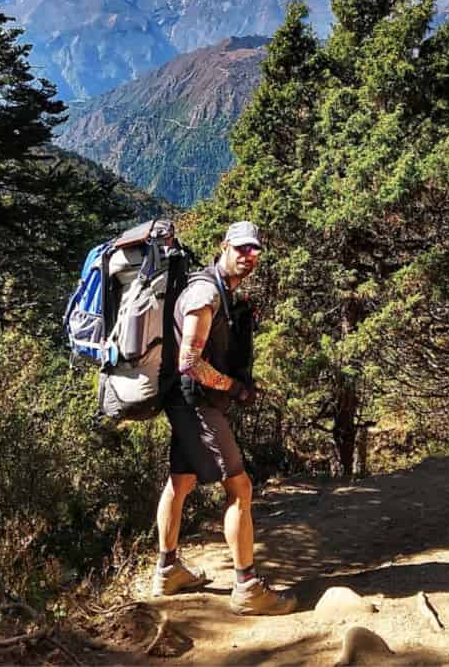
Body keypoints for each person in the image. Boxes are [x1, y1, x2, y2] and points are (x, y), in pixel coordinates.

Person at [152, 221, 297, 616]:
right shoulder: (205, 294)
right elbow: (189, 361)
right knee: (240, 487)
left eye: (255, 251)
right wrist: (234, 388)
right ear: (224, 247)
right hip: (195, 400)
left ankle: (167, 571)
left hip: (186, 400)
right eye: (241, 249)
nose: (249, 257)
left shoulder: (222, 292)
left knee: (180, 481)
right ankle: (247, 585)